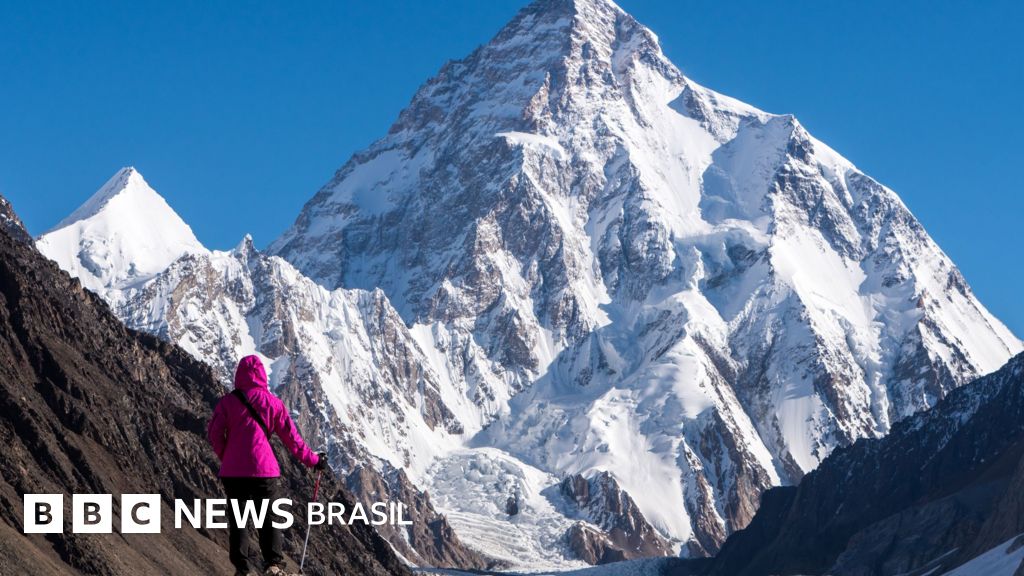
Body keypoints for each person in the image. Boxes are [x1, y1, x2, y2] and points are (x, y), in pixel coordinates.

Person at [207, 355, 327, 576]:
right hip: (264, 470)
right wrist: (315, 461)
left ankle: (243, 569)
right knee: (268, 517)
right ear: (262, 375)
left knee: (239, 518)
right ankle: (273, 564)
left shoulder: (227, 403)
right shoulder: (273, 404)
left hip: (233, 473)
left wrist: (228, 457)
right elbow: (294, 442)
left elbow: (214, 434)